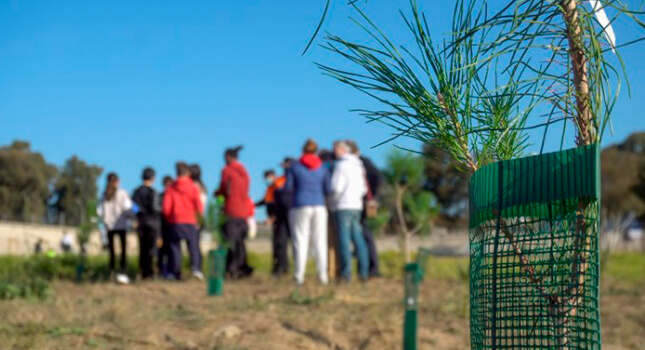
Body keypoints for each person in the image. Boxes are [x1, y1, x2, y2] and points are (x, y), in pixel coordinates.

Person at [286, 139, 331, 286]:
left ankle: (299, 276)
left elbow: (288, 187)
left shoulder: (295, 166)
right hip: (319, 206)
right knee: (320, 241)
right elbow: (328, 189)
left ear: (303, 150)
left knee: (300, 241)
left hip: (300, 205)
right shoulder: (323, 167)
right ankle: (323, 276)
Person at [331, 140, 369, 282]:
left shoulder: (341, 165)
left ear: (342, 150)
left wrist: (332, 201)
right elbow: (364, 189)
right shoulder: (359, 165)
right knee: (358, 239)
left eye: (335, 149)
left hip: (343, 206)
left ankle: (346, 274)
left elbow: (336, 188)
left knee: (344, 241)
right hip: (356, 206)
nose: (334, 152)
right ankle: (363, 273)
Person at [215, 146, 254, 279]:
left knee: (230, 242)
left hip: (231, 211)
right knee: (240, 243)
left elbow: (223, 188)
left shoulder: (227, 170)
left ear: (229, 157)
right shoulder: (244, 172)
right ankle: (242, 268)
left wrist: (217, 193)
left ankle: (232, 269)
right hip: (243, 213)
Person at [346, 140, 382, 277]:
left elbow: (378, 177)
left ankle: (372, 269)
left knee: (365, 236)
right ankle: (367, 269)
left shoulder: (362, 162)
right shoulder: (357, 162)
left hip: (363, 205)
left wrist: (372, 198)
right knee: (361, 236)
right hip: (357, 204)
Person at [162, 162, 204, 280]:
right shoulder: (193, 187)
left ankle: (175, 272)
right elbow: (198, 206)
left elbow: (166, 209)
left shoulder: (171, 188)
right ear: (188, 173)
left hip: (176, 222)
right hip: (191, 221)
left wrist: (170, 219)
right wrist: (198, 220)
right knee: (193, 247)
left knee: (175, 248)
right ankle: (196, 269)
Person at [97, 172, 133, 285]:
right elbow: (128, 208)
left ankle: (111, 272)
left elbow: (99, 211)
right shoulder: (122, 193)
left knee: (111, 251)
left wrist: (106, 220)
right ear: (117, 181)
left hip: (109, 226)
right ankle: (123, 271)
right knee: (123, 250)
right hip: (121, 225)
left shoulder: (104, 195)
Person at [132, 167, 161, 280]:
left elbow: (134, 207)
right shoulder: (154, 192)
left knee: (142, 248)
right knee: (151, 249)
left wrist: (136, 218)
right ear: (153, 178)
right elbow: (156, 209)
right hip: (152, 223)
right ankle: (149, 272)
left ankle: (142, 271)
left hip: (141, 222)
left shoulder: (136, 192)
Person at [190, 163, 208, 274]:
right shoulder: (202, 186)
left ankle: (197, 268)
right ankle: (197, 267)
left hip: (195, 219)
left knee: (194, 245)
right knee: (195, 244)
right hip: (199, 219)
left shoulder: (195, 187)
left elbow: (199, 205)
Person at [157, 175, 173, 277]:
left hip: (172, 227)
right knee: (161, 251)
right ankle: (161, 271)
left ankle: (170, 270)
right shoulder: (160, 197)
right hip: (162, 227)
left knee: (171, 250)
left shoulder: (173, 196)